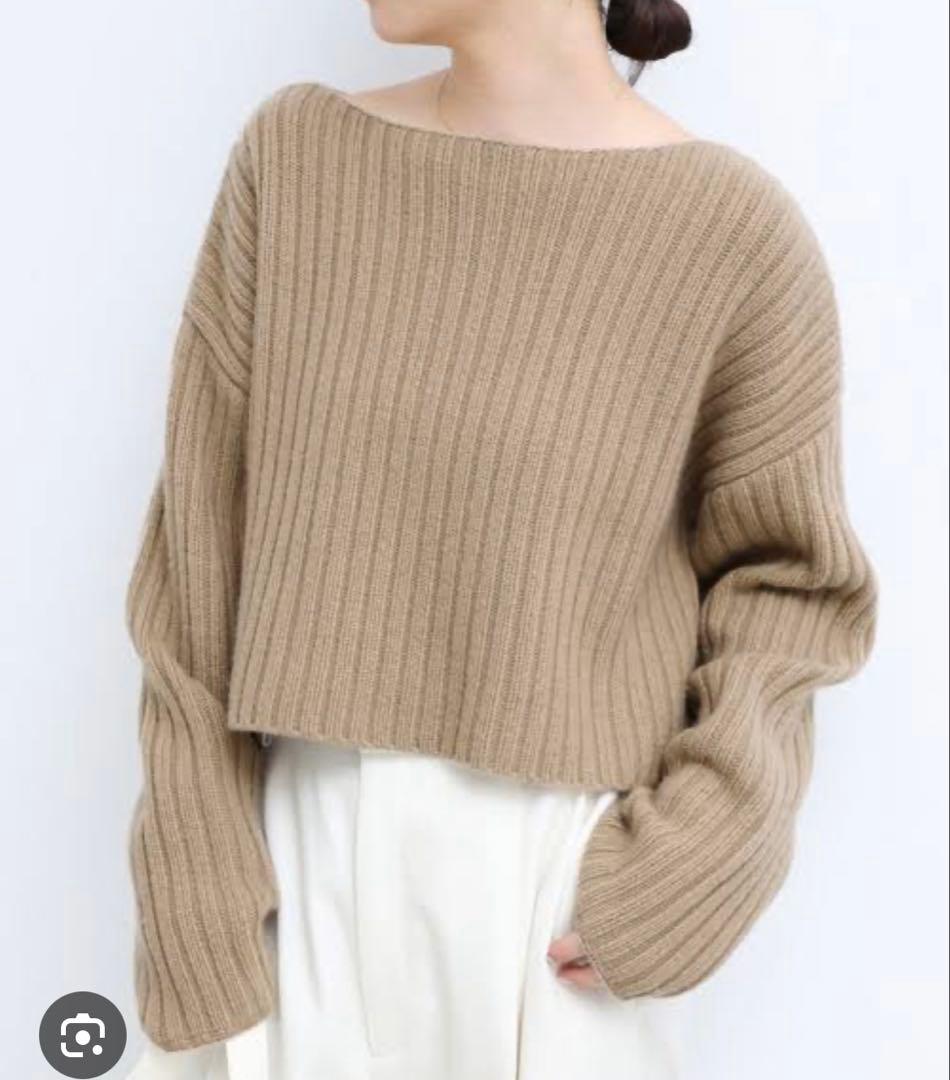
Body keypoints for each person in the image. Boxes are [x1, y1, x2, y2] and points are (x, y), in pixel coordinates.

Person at [123, 0, 879, 1077]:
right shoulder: (294, 161)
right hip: (285, 880)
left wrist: (690, 862)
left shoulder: (732, 234)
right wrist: (191, 866)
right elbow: (198, 553)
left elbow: (791, 592)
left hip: (553, 903)